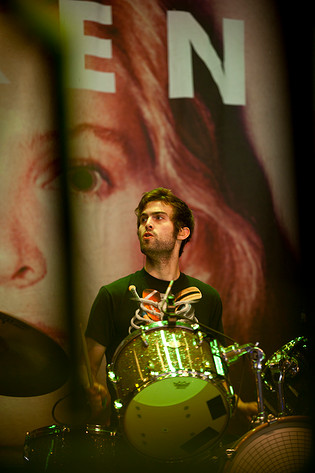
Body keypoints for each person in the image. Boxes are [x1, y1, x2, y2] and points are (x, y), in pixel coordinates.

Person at [84, 188, 258, 441]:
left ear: (182, 232)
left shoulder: (208, 297)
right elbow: (87, 365)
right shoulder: (113, 294)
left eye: (158, 218)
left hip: (196, 432)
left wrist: (239, 404)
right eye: (143, 219)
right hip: (134, 434)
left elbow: (216, 369)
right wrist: (89, 389)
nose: (147, 225)